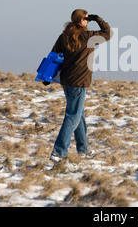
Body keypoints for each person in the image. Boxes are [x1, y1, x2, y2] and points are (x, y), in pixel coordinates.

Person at [45, 9, 112, 163]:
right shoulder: (88, 37)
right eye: (86, 19)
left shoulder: (64, 36)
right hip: (79, 82)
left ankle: (83, 150)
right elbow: (108, 33)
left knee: (78, 115)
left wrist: (47, 76)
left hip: (67, 81)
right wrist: (97, 18)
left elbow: (53, 55)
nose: (88, 21)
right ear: (81, 21)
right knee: (73, 116)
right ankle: (58, 152)